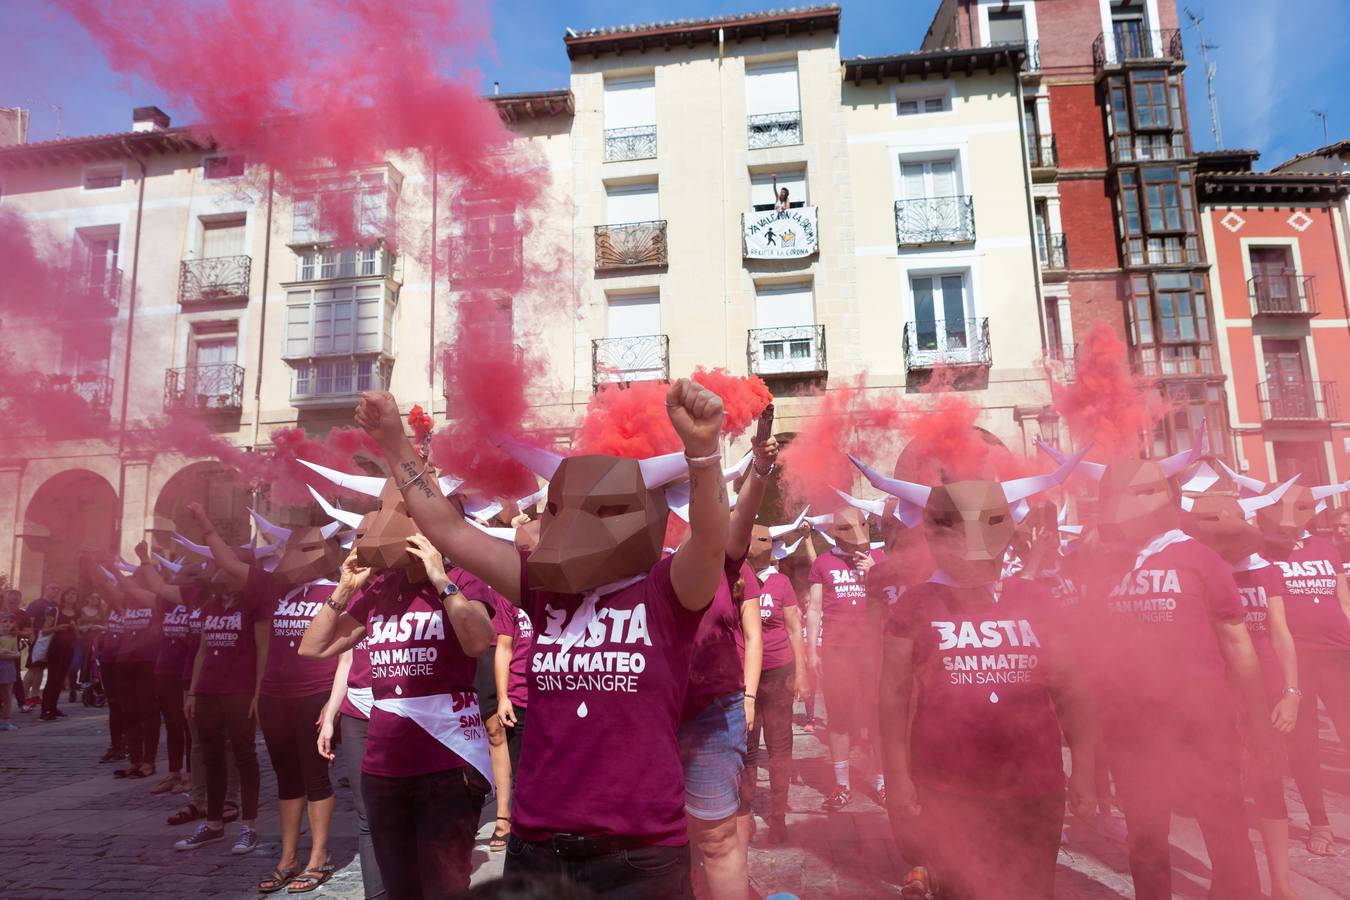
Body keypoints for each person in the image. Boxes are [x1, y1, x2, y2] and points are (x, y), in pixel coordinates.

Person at [353, 379, 729, 899]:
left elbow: (711, 541)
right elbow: (447, 529)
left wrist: (704, 454)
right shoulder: (540, 590)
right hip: (538, 849)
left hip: (639, 857)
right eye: (560, 509)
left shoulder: (666, 594)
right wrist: (395, 443)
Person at [1068, 450, 1265, 900]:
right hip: (1133, 729)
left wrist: (1255, 716)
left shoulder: (1199, 556)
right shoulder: (1101, 566)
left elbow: (1237, 641)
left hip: (1203, 724)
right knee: (1146, 839)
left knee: (1225, 830)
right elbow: (1090, 651)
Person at [300, 538, 496, 900]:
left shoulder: (464, 579)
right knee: (401, 890)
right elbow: (314, 647)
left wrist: (440, 578)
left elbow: (478, 642)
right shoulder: (381, 587)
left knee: (446, 889)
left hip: (449, 763)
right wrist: (343, 589)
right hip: (385, 767)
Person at [190, 502, 343, 891]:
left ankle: (318, 857)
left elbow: (347, 649)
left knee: (315, 777)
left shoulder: (338, 590)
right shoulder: (270, 587)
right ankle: (288, 857)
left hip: (314, 695)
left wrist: (333, 705)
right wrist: (206, 521)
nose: (288, 558)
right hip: (276, 697)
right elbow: (227, 562)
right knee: (287, 779)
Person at [680, 440, 774, 900]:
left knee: (719, 834)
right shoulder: (641, 560)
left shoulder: (725, 558)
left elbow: (741, 521)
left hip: (716, 711)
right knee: (665, 838)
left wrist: (758, 466)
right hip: (651, 710)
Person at [174, 511, 268, 856]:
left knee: (245, 756)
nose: (217, 572)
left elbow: (263, 650)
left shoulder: (255, 604)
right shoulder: (212, 602)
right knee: (213, 756)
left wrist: (258, 695)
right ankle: (213, 824)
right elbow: (201, 651)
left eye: (224, 567)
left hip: (240, 692)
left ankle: (249, 826)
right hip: (210, 692)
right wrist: (194, 691)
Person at [806, 508, 886, 811]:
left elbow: (892, 601)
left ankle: (882, 784)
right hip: (837, 651)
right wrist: (812, 651)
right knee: (838, 719)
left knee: (877, 719)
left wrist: (873, 574)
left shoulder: (879, 560)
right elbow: (814, 608)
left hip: (873, 650)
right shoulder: (824, 563)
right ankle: (841, 784)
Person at [738, 521, 808, 845]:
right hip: (746, 678)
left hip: (779, 674)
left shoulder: (781, 583)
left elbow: (795, 627)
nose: (761, 544)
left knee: (780, 748)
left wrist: (803, 672)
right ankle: (746, 813)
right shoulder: (736, 579)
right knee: (748, 749)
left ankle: (778, 815)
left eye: (766, 539)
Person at [318, 642, 384, 900]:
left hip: (402, 713)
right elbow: (346, 663)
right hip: (357, 717)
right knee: (367, 816)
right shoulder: (357, 602)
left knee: (407, 811)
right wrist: (330, 718)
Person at [106, 563, 164, 779]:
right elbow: (107, 588)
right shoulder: (127, 600)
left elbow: (129, 587)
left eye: (140, 576)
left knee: (148, 711)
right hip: (124, 660)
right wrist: (97, 564)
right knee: (128, 711)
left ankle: (149, 761)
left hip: (148, 661)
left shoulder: (156, 599)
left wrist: (112, 567)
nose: (135, 579)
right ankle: (135, 760)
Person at [38, 587, 79, 720]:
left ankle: (53, 707)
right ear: (64, 596)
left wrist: (74, 628)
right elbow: (44, 630)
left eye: (74, 594)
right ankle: (45, 710)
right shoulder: (55, 610)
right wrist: (58, 628)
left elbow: (78, 635)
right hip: (55, 648)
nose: (71, 596)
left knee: (60, 680)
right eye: (69, 593)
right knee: (52, 679)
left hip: (69, 648)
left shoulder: (76, 613)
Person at [21, 583, 59, 708]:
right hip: (38, 638)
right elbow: (29, 621)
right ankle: (23, 697)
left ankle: (35, 695)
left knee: (41, 667)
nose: (55, 590)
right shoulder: (36, 603)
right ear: (46, 589)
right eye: (53, 588)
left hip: (49, 639)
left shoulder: (56, 606)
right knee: (33, 667)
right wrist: (31, 635)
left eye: (58, 589)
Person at [71, 591, 106, 699]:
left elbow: (107, 626)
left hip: (96, 641)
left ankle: (90, 691)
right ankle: (72, 689)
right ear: (87, 598)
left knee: (91, 666)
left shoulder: (101, 611)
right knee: (75, 665)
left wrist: (100, 628)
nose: (94, 599)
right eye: (92, 597)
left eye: (97, 598)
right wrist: (81, 628)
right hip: (81, 641)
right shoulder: (80, 611)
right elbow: (73, 625)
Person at [3, 590, 29, 710]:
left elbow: (29, 633)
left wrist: (16, 632)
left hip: (13, 649)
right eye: (10, 601)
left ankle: (22, 703)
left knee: (15, 675)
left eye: (16, 601)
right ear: (5, 600)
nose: (13, 603)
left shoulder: (23, 615)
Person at [0, 612, 20, 730]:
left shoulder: (13, 637)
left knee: (7, 696)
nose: (8, 624)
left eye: (11, 622)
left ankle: (6, 721)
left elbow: (17, 654)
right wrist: (11, 654)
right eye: (5, 621)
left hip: (8, 668)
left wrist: (7, 653)